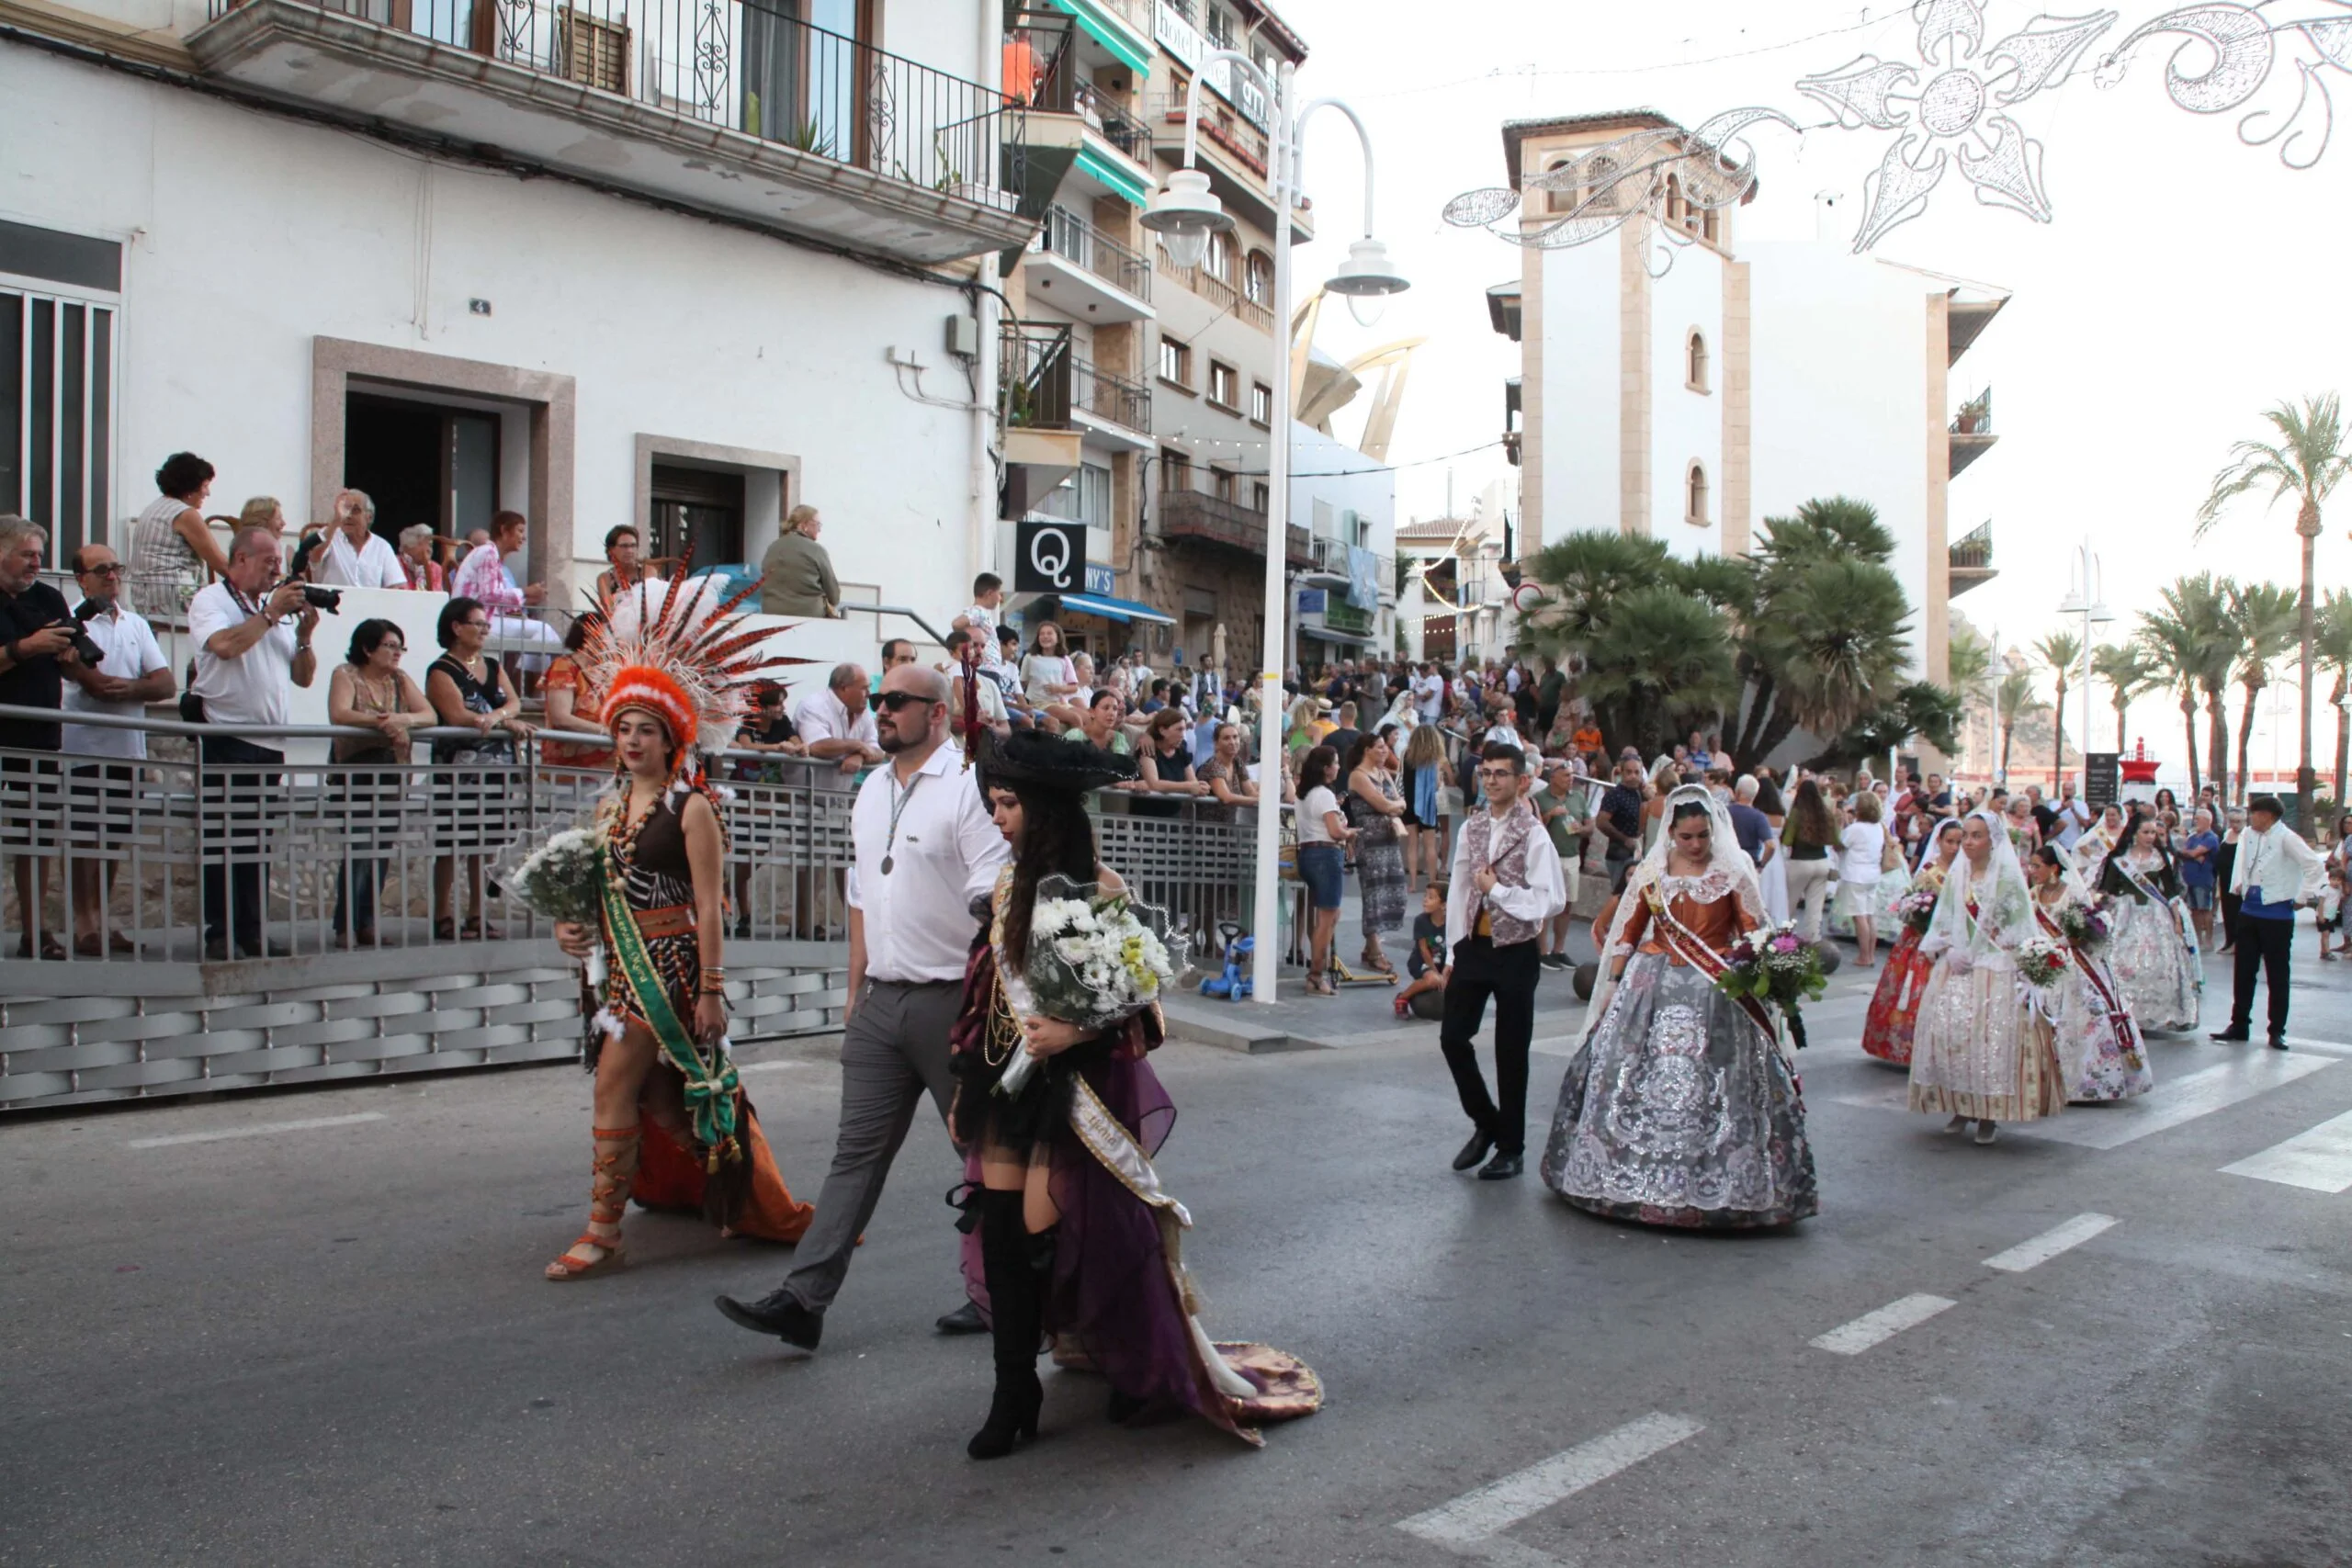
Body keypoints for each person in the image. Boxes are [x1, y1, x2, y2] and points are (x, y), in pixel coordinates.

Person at [938, 730, 1319, 1456]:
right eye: (993, 803)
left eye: (1010, 803)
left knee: (1072, 1229)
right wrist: (966, 1081)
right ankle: (1013, 1388)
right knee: (1005, 1236)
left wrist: (1072, 1036)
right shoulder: (1006, 886)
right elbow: (985, 992)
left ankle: (1126, 1357)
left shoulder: (1103, 888)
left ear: (1047, 810)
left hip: (1081, 1084)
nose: (998, 817)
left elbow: (1140, 1003)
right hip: (1011, 1080)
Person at [713, 663, 1012, 1346]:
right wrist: (855, 992)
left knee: (986, 1152)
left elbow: (995, 884)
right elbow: (860, 897)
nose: (880, 710)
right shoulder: (871, 787)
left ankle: (1011, 1293)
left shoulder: (969, 787)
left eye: (896, 701)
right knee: (855, 1155)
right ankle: (803, 1298)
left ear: (937, 714)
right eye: (877, 699)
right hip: (882, 1000)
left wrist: (983, 971)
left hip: (950, 999)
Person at [543, 580, 816, 1279]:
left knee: (612, 1086)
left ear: (672, 738)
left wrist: (712, 990)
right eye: (623, 728)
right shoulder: (606, 806)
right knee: (662, 1096)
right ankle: (738, 1191)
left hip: (667, 967)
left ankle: (603, 1233)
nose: (632, 741)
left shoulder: (693, 808)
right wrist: (572, 932)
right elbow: (596, 890)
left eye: (646, 730)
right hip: (614, 968)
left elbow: (709, 901)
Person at [1541, 784, 1817, 1226]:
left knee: (1720, 1084)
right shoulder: (1652, 876)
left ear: (1713, 833)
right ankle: (1624, 1181)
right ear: (1671, 832)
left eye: (1702, 836)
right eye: (1686, 837)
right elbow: (1630, 932)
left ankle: (1723, 1187)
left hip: (1716, 990)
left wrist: (1764, 968)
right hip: (1653, 984)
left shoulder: (1731, 875)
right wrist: (1613, 980)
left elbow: (1751, 931)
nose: (1694, 845)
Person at [187, 524, 319, 960]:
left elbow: (302, 678)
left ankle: (253, 930)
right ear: (240, 559)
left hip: (268, 742)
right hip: (228, 735)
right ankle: (220, 932)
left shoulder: (268, 609)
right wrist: (269, 616)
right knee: (224, 837)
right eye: (268, 562)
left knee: (258, 841)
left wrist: (303, 636)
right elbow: (224, 646)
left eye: (278, 563)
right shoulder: (212, 600)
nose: (275, 571)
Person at [1438, 742, 1569, 1180]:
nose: (1492, 780)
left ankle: (1511, 1147)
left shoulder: (1533, 833)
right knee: (1453, 1037)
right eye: (1487, 773)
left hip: (1515, 951)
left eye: (1501, 774)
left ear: (1521, 781)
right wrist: (1452, 947)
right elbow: (1458, 886)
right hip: (1473, 948)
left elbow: (1550, 900)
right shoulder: (1471, 828)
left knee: (1511, 1052)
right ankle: (1487, 1122)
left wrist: (1499, 892)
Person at [1906, 810, 2064, 1145]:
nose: (1968, 842)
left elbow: (2020, 927)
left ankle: (1990, 1113)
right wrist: (1950, 948)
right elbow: (1945, 919)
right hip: (1960, 968)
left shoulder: (2007, 878)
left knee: (1991, 1042)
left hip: (1995, 969)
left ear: (1993, 841)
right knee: (1952, 1037)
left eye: (1976, 836)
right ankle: (1961, 1105)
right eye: (1965, 835)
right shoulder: (1957, 877)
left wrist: (2005, 951)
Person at [57, 542, 173, 957]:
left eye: (116, 568)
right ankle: (83, 922)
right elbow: (97, 688)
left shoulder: (136, 624)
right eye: (101, 569)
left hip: (127, 749)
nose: (112, 576)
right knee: (85, 837)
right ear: (81, 579)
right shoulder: (70, 624)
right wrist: (126, 688)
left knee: (113, 838)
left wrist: (126, 688)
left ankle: (102, 918)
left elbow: (166, 684)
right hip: (83, 748)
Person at [322, 616, 434, 948]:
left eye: (400, 646)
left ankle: (368, 922)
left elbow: (428, 714)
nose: (397, 653)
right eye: (390, 646)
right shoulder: (346, 674)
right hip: (357, 768)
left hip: (391, 769)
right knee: (358, 848)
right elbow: (340, 713)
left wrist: (403, 719)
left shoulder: (399, 679)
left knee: (381, 849)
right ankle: (346, 925)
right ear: (368, 647)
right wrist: (378, 722)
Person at [0, 516, 81, 958]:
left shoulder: (50, 598)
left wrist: (70, 656)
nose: (36, 563)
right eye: (27, 554)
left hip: (40, 735)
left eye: (38, 555)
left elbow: (71, 668)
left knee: (37, 835)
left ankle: (36, 932)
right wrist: (24, 648)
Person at [2026, 845, 2153, 1102]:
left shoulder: (2072, 893)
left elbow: (2093, 925)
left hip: (2076, 965)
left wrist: (2071, 937)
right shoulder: (2032, 895)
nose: (2032, 871)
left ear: (2053, 868)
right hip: (2045, 963)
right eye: (2031, 865)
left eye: (2037, 866)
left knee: (2085, 1019)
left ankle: (2089, 1082)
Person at [2212, 795, 2326, 1050]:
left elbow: (2314, 866)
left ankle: (2276, 1030)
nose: (2250, 818)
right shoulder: (2249, 836)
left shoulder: (2287, 838)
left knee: (2277, 974)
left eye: (2254, 813)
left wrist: (2301, 896)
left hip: (2277, 915)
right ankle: (2239, 1024)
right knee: (2243, 971)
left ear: (2267, 815)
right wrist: (2241, 886)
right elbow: (2243, 863)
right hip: (2249, 911)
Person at [1862, 818, 1964, 1066]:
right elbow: (1913, 905)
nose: (1954, 847)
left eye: (1959, 842)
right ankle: (1906, 1046)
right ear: (1938, 841)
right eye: (1949, 842)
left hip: (1955, 941)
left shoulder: (1966, 871)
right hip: (1922, 939)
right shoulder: (1930, 872)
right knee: (1911, 990)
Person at [2097, 811, 2200, 1033]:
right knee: (2122, 960)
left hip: (2156, 915)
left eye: (2154, 832)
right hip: (2124, 914)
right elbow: (2106, 889)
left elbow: (2172, 892)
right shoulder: (2118, 860)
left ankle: (2156, 1014)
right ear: (2134, 834)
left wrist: (2177, 920)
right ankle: (2124, 1010)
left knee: (2159, 963)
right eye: (2146, 832)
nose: (2151, 836)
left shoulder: (2162, 859)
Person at [127, 452, 226, 621]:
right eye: (205, 486)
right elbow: (220, 564)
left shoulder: (154, 508)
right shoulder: (184, 514)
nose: (207, 493)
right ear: (190, 488)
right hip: (174, 599)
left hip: (145, 598)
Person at [1295, 744, 1355, 998]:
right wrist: (1349, 832)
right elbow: (1334, 830)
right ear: (1326, 768)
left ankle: (1317, 969)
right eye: (1336, 763)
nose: (1339, 767)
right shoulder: (1324, 795)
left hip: (1307, 852)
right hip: (1326, 853)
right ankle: (1316, 976)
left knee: (1329, 916)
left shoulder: (1303, 793)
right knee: (1327, 919)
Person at [1346, 730, 1409, 976]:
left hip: (1389, 839)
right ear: (1367, 750)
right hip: (1370, 842)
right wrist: (1395, 806)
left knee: (1390, 891)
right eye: (1380, 747)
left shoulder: (1383, 773)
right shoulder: (1358, 776)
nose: (1385, 751)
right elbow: (1386, 804)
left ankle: (1370, 945)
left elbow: (1399, 801)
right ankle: (1374, 949)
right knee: (1373, 894)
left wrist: (1395, 805)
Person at [1533, 757, 1590, 969]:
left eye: (1572, 775)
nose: (1571, 778)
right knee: (1548, 905)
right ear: (1553, 776)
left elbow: (1590, 826)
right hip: (1550, 857)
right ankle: (1542, 950)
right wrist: (1550, 815)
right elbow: (1535, 827)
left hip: (1572, 856)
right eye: (1566, 775)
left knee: (1567, 905)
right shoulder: (1540, 798)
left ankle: (1559, 949)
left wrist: (1581, 829)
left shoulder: (1578, 797)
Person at [540, 612, 612, 771]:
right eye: (609, 632)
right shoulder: (564, 666)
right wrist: (606, 732)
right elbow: (561, 718)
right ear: (591, 635)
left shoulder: (609, 670)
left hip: (607, 770)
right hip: (570, 772)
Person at [1781, 777, 1839, 942]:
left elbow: (1787, 841)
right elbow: (1835, 839)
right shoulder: (1826, 813)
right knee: (1815, 909)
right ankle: (1813, 942)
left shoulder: (1797, 813)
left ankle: (1784, 941)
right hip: (1822, 862)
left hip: (1800, 861)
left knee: (1789, 906)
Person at [758, 503, 842, 617]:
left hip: (771, 616)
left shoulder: (773, 547)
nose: (819, 530)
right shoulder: (816, 550)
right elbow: (834, 596)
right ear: (804, 525)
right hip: (808, 617)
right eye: (817, 525)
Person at [1837, 790, 1889, 968]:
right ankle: (1871, 954)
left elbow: (1839, 845)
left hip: (1855, 874)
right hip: (1873, 873)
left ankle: (1864, 955)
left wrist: (1844, 822)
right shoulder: (1879, 827)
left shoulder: (1855, 829)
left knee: (1859, 917)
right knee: (1869, 915)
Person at [312, 491, 405, 589]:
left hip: (369, 603)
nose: (348, 516)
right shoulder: (329, 536)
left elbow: (396, 585)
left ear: (369, 517)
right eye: (344, 509)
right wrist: (336, 520)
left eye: (355, 510)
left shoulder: (382, 547)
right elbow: (314, 557)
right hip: (332, 602)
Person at [1133, 706, 1207, 819]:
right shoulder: (1148, 750)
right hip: (1148, 817)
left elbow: (1193, 782)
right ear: (1162, 730)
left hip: (1174, 816)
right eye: (1179, 729)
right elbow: (1155, 784)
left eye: (1184, 729)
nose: (1183, 734)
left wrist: (1200, 787)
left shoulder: (1181, 752)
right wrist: (1188, 786)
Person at [1394, 880, 1451, 1020]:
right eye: (1425, 896)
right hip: (1421, 962)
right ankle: (1402, 997)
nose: (1425, 900)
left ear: (1443, 904)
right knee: (1433, 980)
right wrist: (1437, 973)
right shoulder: (1421, 920)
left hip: (1442, 963)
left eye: (1431, 897)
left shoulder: (1450, 922)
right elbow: (1423, 950)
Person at [1594, 751, 1646, 889]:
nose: (1633, 776)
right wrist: (1624, 839)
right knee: (1619, 896)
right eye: (1629, 772)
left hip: (1636, 854)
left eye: (1637, 772)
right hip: (1619, 855)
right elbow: (1601, 822)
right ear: (1621, 773)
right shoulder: (1614, 795)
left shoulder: (1640, 794)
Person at [2179, 807, 2222, 952]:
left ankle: (2209, 939)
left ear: (2207, 820)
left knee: (2205, 909)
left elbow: (2192, 853)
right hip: (2189, 878)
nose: (2195, 821)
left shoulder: (2211, 838)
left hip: (2203, 878)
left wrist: (2191, 854)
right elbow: (2185, 851)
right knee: (2194, 910)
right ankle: (2197, 938)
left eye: (2198, 819)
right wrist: (2191, 854)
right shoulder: (2193, 837)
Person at [1020, 621, 1080, 714]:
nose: (1045, 636)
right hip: (1039, 703)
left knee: (1086, 717)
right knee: (1075, 719)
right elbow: (1022, 683)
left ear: (1058, 638)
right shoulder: (1030, 657)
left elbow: (1074, 687)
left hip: (1060, 702)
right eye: (1042, 634)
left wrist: (1059, 689)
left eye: (1049, 633)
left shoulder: (1064, 659)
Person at [594, 525, 664, 602]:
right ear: (611, 550)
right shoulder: (605, 578)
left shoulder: (647, 570)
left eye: (633, 546)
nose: (629, 551)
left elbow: (649, 598)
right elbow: (607, 607)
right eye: (624, 546)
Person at [2214, 806, 2247, 953]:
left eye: (2238, 821)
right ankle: (2229, 940)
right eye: (2232, 821)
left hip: (2238, 879)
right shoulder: (2227, 834)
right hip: (2225, 877)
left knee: (2238, 910)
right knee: (2227, 909)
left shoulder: (2247, 835)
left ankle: (2239, 942)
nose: (2235, 825)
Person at [395, 525, 446, 592]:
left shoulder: (435, 568)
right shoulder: (395, 563)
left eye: (430, 545)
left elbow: (436, 597)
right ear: (408, 547)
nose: (429, 550)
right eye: (420, 544)